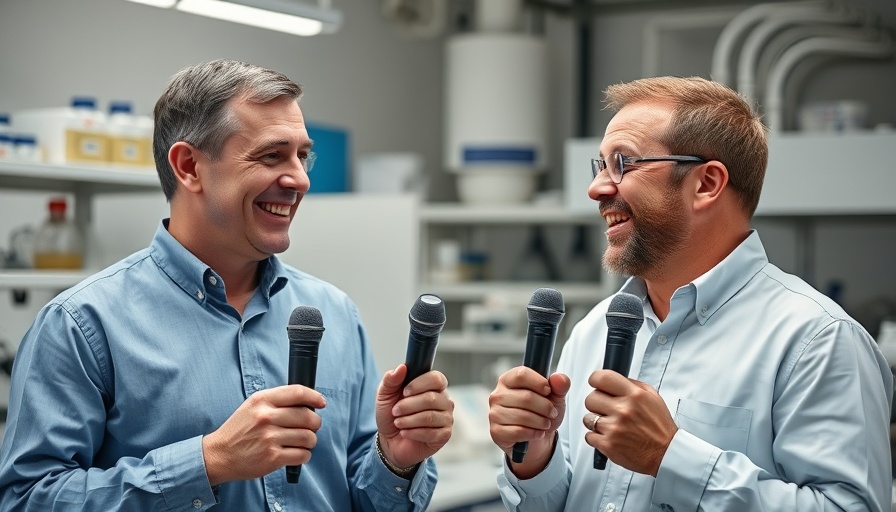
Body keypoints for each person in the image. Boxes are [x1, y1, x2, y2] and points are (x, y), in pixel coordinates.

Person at [0, 59, 454, 511]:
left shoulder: (334, 312)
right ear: (189, 167)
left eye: (302, 155)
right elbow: (26, 500)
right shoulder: (82, 325)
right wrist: (209, 461)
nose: (300, 178)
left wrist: (394, 462)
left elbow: (363, 496)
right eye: (272, 155)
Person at [487, 76, 893, 511]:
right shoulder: (594, 330)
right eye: (600, 165)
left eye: (623, 163)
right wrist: (534, 457)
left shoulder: (819, 341)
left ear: (706, 184)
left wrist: (670, 456)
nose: (597, 188)